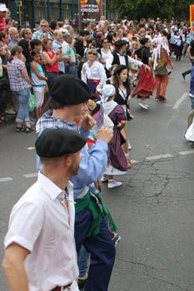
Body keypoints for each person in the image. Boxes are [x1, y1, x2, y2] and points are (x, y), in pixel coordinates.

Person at [36, 75, 115, 291]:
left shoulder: (53, 122)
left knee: (105, 252)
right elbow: (85, 172)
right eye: (83, 103)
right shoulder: (56, 133)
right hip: (71, 208)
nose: (86, 107)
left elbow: (73, 150)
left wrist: (83, 131)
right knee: (66, 268)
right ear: (71, 104)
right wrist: (101, 143)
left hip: (81, 202)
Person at [2, 128, 87, 291]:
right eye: (79, 154)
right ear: (68, 160)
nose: (81, 157)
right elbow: (11, 261)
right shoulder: (34, 204)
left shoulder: (65, 191)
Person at [99, 84, 127, 188]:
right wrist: (120, 127)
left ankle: (104, 176)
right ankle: (111, 180)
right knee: (112, 155)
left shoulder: (99, 104)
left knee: (103, 153)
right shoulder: (116, 107)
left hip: (100, 133)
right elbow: (122, 121)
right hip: (112, 134)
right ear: (114, 94)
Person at [8, 45, 32, 132]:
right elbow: (26, 77)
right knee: (23, 106)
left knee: (22, 105)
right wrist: (30, 82)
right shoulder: (20, 63)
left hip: (14, 88)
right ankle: (18, 122)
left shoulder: (9, 62)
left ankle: (27, 124)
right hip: (22, 87)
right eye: (21, 52)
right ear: (18, 53)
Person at [133, 37, 155, 110]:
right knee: (146, 86)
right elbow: (150, 59)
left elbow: (135, 53)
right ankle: (142, 101)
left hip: (143, 68)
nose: (150, 43)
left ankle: (143, 101)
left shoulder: (142, 49)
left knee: (144, 85)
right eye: (148, 42)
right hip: (146, 69)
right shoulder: (146, 49)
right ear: (145, 43)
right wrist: (150, 66)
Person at [30, 50, 48, 121]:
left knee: (40, 103)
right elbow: (38, 75)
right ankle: (38, 118)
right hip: (37, 86)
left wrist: (45, 84)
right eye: (36, 57)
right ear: (33, 57)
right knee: (37, 104)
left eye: (38, 56)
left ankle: (40, 117)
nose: (38, 58)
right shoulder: (33, 65)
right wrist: (45, 78)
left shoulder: (38, 64)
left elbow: (41, 74)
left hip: (41, 85)